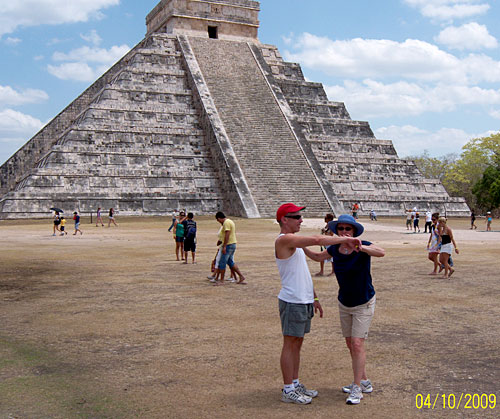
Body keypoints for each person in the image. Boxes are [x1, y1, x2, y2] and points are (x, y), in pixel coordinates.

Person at [275, 204, 362, 405]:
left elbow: (302, 273)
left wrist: (313, 297)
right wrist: (346, 238)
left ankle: (294, 383)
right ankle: (288, 388)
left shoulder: (294, 244)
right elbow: (317, 240)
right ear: (284, 219)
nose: (301, 220)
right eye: (296, 217)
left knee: (297, 343)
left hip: (302, 299)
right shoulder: (285, 240)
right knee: (290, 344)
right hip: (292, 300)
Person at [303, 214, 385, 405]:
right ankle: (364, 381)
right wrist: (300, 246)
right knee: (350, 343)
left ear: (354, 231)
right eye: (341, 229)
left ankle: (357, 388)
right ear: (335, 231)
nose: (345, 232)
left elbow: (381, 252)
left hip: (364, 302)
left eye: (348, 229)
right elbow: (317, 257)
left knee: (357, 343)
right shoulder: (334, 249)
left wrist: (360, 247)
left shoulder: (362, 245)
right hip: (345, 302)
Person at [212, 211, 246, 285]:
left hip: (229, 245)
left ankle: (221, 280)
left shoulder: (226, 223)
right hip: (232, 244)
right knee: (230, 262)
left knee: (222, 262)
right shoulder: (230, 221)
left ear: (219, 218)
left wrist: (224, 246)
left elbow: (227, 234)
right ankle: (241, 276)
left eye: (218, 220)